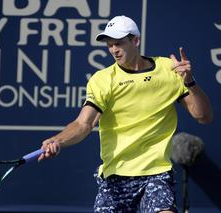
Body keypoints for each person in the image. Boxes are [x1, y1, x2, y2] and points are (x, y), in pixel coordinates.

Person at [38, 15, 213, 213]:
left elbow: (204, 116)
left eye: (119, 43)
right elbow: (83, 123)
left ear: (135, 40)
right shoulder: (102, 80)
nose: (114, 50)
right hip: (115, 177)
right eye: (110, 45)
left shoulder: (169, 69)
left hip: (156, 173)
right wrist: (58, 140)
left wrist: (190, 81)